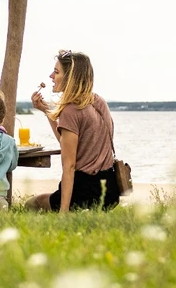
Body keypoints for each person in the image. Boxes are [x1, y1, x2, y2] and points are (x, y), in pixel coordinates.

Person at [26, 50, 121, 212]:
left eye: (56, 72)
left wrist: (63, 212)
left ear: (70, 78)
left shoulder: (70, 110)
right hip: (110, 190)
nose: (51, 76)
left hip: (85, 191)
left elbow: (69, 166)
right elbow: (67, 142)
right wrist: (47, 112)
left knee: (31, 204)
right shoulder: (99, 101)